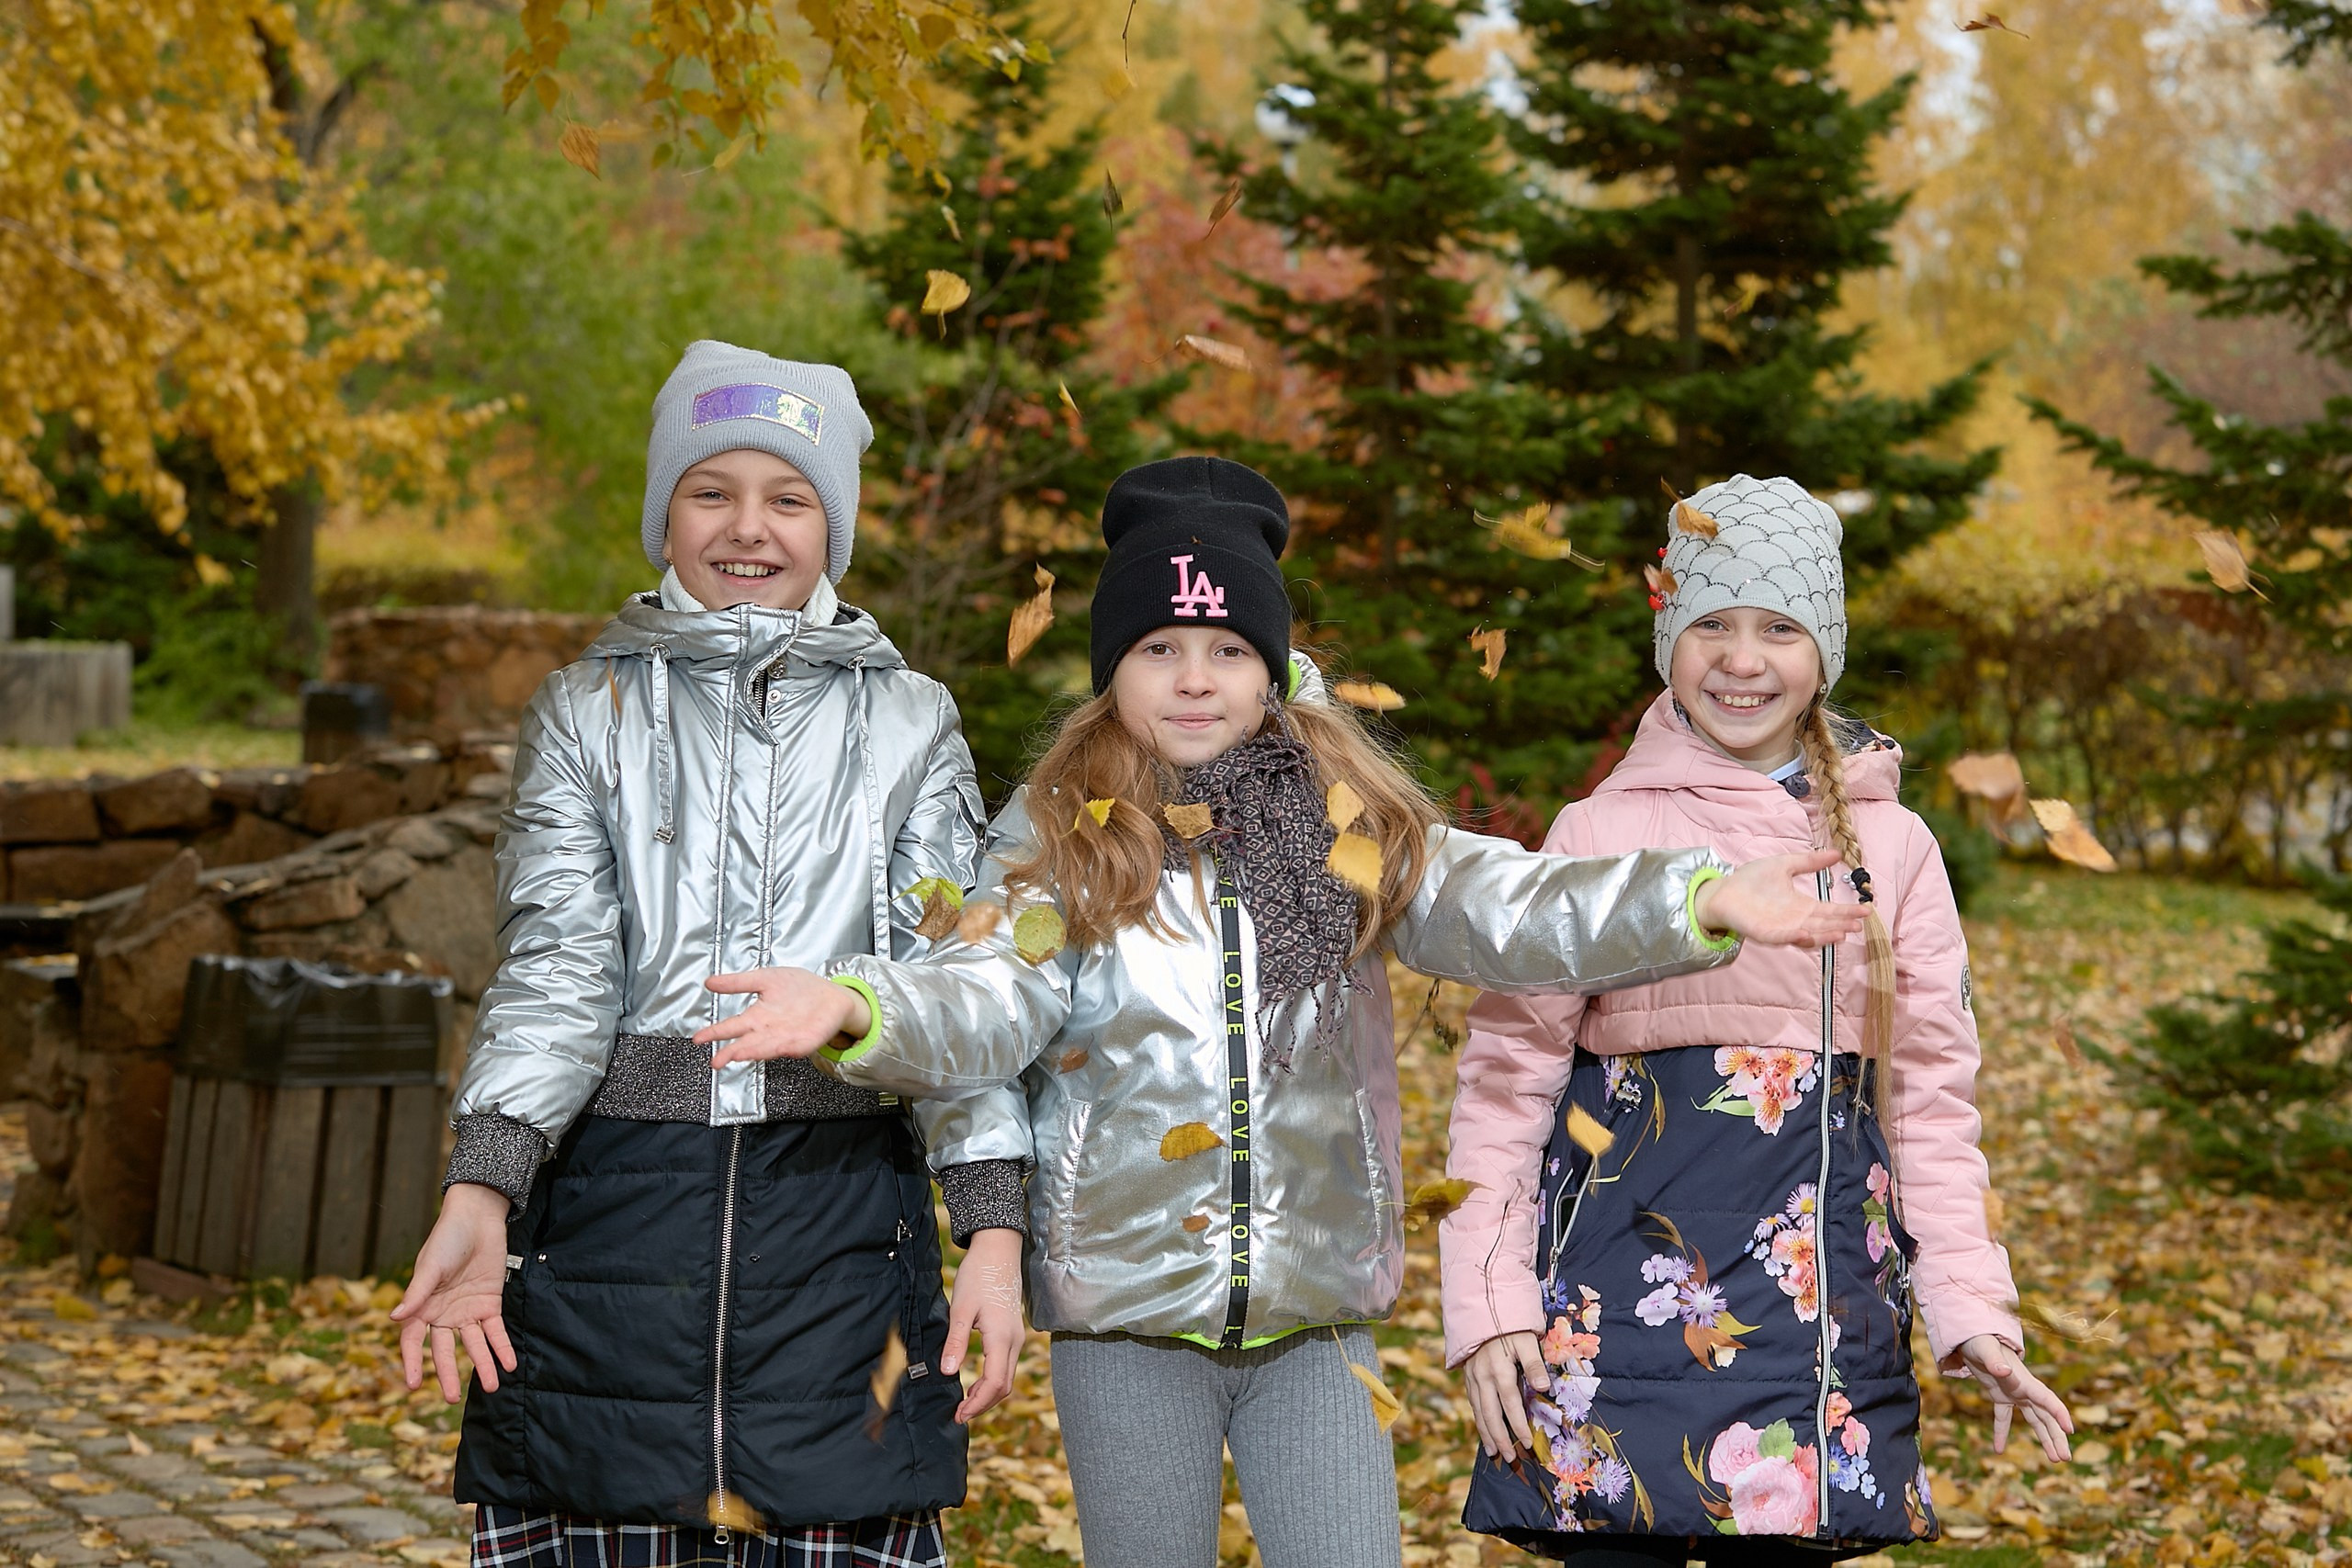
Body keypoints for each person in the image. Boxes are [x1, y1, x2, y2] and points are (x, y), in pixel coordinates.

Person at [678, 456, 1868, 1568]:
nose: (1195, 680)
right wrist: (860, 999)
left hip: (1315, 1316)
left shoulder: (1344, 823)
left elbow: (1512, 902)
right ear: (1111, 668)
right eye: (1158, 647)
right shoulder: (1060, 840)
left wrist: (1699, 894)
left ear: (1271, 664)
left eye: (1227, 649)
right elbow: (987, 997)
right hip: (1127, 1317)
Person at [390, 341, 1027, 1568]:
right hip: (613, 1238)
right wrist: (485, 1178)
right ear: (662, 515)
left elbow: (965, 985)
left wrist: (990, 1219)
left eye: (789, 495)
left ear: (832, 525)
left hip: (842, 1239)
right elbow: (556, 966)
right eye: (710, 489)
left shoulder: (912, 718)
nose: (749, 525)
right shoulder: (587, 707)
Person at [1440, 475, 2075, 1565]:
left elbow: (1928, 1106)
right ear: (1667, 640)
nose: (1742, 659)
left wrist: (1972, 1307)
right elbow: (1506, 1085)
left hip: (1813, 1334)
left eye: (1778, 627)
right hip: (1610, 1329)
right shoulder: (1596, 836)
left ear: (1821, 648)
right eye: (1711, 624)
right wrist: (1486, 1302)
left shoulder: (1894, 852)